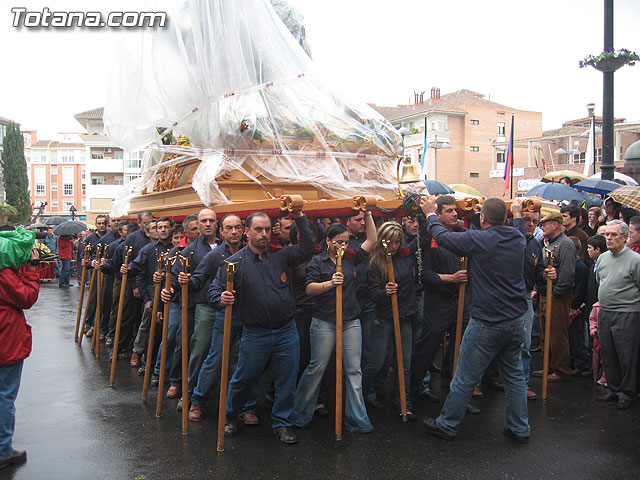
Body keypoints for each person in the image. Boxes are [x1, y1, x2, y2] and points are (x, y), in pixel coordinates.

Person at [419, 197, 530, 442]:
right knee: (514, 377)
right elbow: (520, 226)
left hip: (487, 322)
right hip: (516, 321)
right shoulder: (518, 237)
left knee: (465, 376)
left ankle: (447, 424)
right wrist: (518, 213)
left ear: (482, 219)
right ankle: (520, 428)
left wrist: (430, 214)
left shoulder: (480, 239)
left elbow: (444, 237)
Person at [211, 210, 314, 444]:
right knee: (244, 378)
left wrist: (300, 216)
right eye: (259, 229)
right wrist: (221, 299)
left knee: (287, 380)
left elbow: (308, 247)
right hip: (255, 334)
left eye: (268, 229)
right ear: (247, 232)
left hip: (287, 331)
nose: (264, 234)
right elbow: (214, 291)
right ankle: (231, 415)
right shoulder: (232, 263)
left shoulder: (282, 256)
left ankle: (282, 424)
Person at [294, 213, 376, 433]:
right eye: (339, 242)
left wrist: (367, 212)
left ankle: (357, 419)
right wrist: (329, 284)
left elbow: (372, 241)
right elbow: (309, 289)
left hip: (350, 319)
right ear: (328, 241)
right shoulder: (317, 261)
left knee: (354, 370)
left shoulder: (350, 258)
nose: (343, 246)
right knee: (317, 368)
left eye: (346, 242)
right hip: (324, 321)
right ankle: (300, 414)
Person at [186, 214, 253, 422]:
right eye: (228, 228)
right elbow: (198, 279)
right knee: (214, 358)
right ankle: (196, 400)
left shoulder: (252, 253)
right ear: (221, 232)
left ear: (243, 230)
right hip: (222, 312)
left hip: (249, 314)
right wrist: (186, 280)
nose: (233, 231)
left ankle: (245, 406)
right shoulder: (215, 256)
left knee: (245, 361)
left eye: (237, 227)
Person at [410, 195, 468, 404]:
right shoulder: (428, 240)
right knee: (428, 346)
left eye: (456, 211)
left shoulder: (462, 236)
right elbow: (424, 275)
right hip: (438, 301)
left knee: (458, 349)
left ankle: (453, 392)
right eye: (449, 211)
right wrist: (450, 278)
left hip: (461, 300)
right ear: (438, 215)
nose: (454, 214)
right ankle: (413, 389)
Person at [364, 221, 418, 421]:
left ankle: (404, 403)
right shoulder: (375, 263)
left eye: (397, 242)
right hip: (384, 317)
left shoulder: (405, 257)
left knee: (404, 362)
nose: (393, 246)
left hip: (404, 316)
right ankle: (360, 397)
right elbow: (372, 294)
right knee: (377, 363)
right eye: (389, 242)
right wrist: (385, 292)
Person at [168, 209, 218, 407]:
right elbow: (175, 275)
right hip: (199, 304)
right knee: (193, 347)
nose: (207, 224)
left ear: (216, 224)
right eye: (203, 221)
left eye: (211, 221)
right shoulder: (189, 251)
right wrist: (170, 288)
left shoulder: (226, 246)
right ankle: (183, 388)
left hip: (226, 305)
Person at [0, 229, 40, 470]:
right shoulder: (4, 273)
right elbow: (26, 297)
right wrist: (31, 271)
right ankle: (3, 449)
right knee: (4, 395)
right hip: (6, 339)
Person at [595, 220, 640, 410]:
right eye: (607, 235)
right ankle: (613, 389)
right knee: (608, 353)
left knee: (626, 355)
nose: (609, 238)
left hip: (627, 312)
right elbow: (599, 280)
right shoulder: (603, 258)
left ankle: (627, 392)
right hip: (605, 311)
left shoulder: (635, 260)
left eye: (614, 235)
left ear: (624, 237)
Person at [533, 212, 576, 383]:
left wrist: (555, 294)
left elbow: (567, 275)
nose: (542, 227)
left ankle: (561, 369)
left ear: (555, 225)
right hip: (547, 292)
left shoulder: (565, 245)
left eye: (545, 224)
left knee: (557, 333)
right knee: (547, 333)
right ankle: (549, 365)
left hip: (557, 295)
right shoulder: (548, 244)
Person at [126, 217, 174, 372]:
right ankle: (138, 352)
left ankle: (160, 363)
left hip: (173, 292)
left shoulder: (177, 248)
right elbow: (138, 271)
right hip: (153, 292)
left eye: (166, 227)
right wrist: (147, 299)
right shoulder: (148, 249)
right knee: (147, 325)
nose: (163, 230)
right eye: (160, 227)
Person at [521, 208, 544, 400]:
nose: (531, 224)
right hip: (501, 298)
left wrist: (546, 275)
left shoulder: (536, 245)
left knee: (524, 344)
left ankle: (523, 383)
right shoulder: (508, 240)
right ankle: (479, 382)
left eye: (535, 222)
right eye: (527, 219)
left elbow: (540, 272)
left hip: (525, 297)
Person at [568, 237, 590, 377]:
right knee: (571, 337)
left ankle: (580, 363)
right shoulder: (574, 264)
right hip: (571, 305)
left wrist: (574, 306)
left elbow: (580, 289)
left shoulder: (580, 267)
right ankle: (572, 360)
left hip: (576, 308)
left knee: (577, 337)